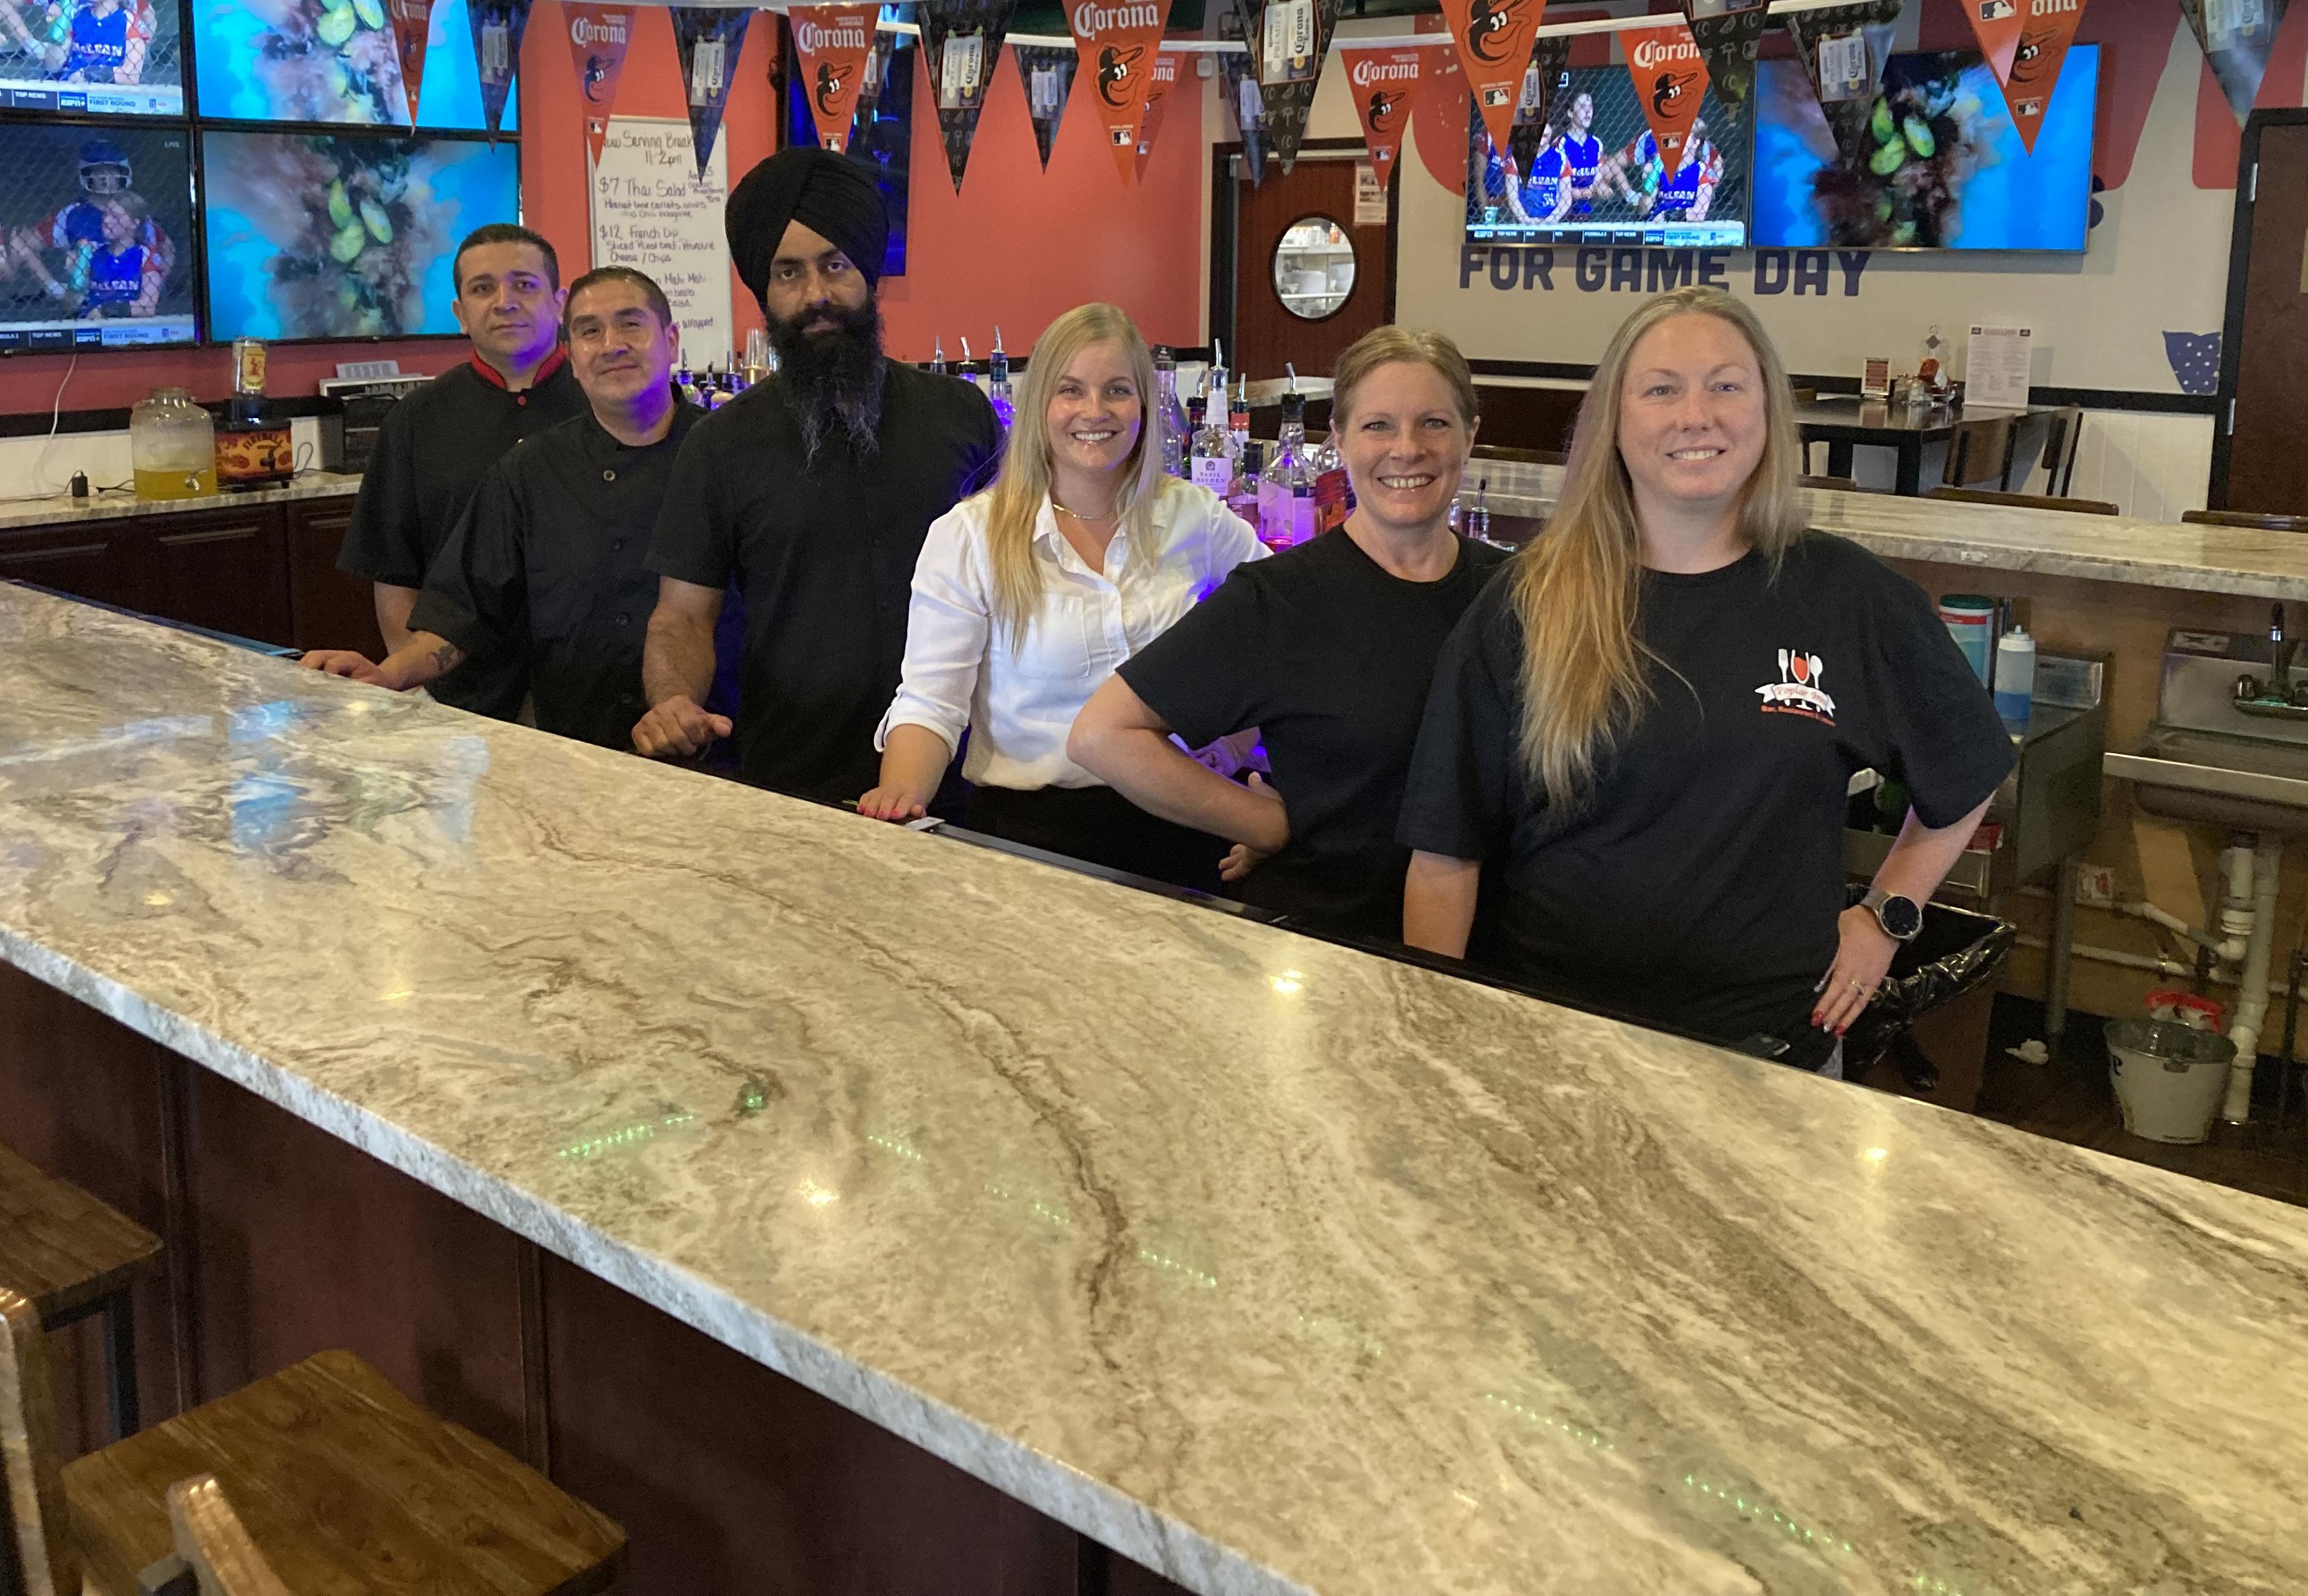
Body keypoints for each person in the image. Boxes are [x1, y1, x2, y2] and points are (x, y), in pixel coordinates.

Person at [1398, 287, 2015, 1074]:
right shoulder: (1528, 602)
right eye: (1661, 389)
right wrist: (1438, 1047)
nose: (1696, 416)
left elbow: (1970, 769)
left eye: (1726, 385)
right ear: (1613, 422)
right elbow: (1444, 855)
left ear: (1767, 412)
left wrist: (1884, 915)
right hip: (1553, 1046)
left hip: (1772, 1058)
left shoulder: (1844, 594)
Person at [1067, 327, 1510, 943]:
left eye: (1434, 423)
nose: (1407, 449)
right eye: (1377, 426)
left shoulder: (1519, 592)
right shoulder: (1280, 597)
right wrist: (1266, 824)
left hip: (1499, 954)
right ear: (1340, 440)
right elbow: (1102, 734)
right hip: (1324, 945)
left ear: (1470, 434)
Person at [635, 146, 1002, 803]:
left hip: (967, 774)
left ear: (867, 271)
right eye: (788, 273)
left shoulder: (961, 415)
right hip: (793, 779)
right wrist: (673, 702)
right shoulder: (720, 444)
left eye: (835, 265)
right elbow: (682, 617)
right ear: (764, 290)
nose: (816, 296)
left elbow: (1021, 576)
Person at [858, 302, 1263, 889]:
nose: (1094, 411)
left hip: (1184, 827)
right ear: (1039, 405)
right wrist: (899, 798)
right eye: (1070, 390)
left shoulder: (1192, 515)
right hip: (1028, 842)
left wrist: (1232, 748)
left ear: (1145, 405)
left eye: (1117, 390)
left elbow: (1288, 621)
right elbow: (931, 704)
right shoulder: (971, 535)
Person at [298, 268, 720, 753]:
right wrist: (387, 674)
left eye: (630, 324)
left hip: (721, 738)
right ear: (573, 359)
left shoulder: (726, 457)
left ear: (671, 340)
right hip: (576, 745)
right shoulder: (529, 469)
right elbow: (464, 611)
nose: (611, 345)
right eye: (589, 331)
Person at [335, 222, 585, 720]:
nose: (505, 302)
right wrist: (422, 686)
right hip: (464, 697)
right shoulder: (415, 420)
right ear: (461, 314)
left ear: (559, 303)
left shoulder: (608, 405)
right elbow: (394, 571)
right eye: (483, 288)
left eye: (524, 285)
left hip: (594, 692)